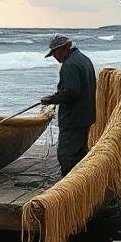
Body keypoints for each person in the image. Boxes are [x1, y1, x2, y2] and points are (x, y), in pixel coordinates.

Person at [39, 34, 96, 176]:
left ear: (63, 49)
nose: (55, 57)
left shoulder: (69, 65)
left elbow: (72, 92)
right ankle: (84, 182)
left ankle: (71, 185)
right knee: (81, 152)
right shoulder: (84, 59)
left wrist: (51, 99)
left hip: (74, 118)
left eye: (54, 53)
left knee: (67, 155)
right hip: (86, 115)